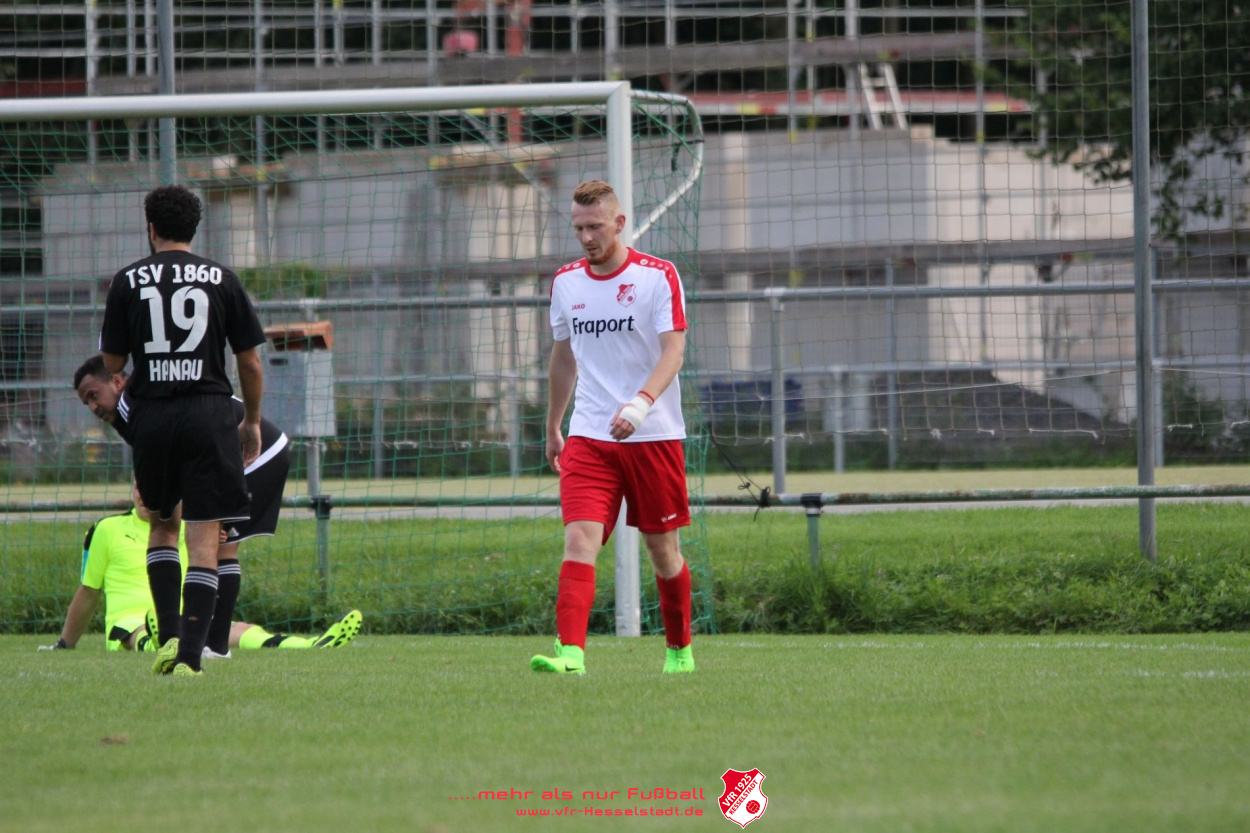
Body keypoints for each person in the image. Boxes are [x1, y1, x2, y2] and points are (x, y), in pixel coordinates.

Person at [99, 183, 267, 677]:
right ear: (195, 228)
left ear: (150, 228)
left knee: (162, 526)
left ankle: (168, 638)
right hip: (209, 414)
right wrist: (251, 420)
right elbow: (250, 362)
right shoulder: (221, 278)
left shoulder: (127, 281)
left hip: (153, 416)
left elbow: (112, 362)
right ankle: (191, 657)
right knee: (205, 535)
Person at [530, 180, 695, 676]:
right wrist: (554, 423)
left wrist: (641, 405)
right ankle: (571, 655)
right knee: (579, 541)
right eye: (578, 228)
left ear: (619, 223)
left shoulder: (657, 276)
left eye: (596, 227)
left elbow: (674, 351)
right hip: (589, 436)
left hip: (653, 435)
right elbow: (564, 356)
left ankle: (679, 651)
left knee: (662, 551)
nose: (586, 237)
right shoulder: (565, 283)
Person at [73, 354, 293, 659]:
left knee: (221, 544)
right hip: (232, 455)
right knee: (214, 542)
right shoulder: (135, 407)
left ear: (117, 381)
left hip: (260, 453)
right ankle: (202, 643)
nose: (93, 407)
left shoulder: (141, 401)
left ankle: (213, 646)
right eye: (86, 402)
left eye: (93, 395)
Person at [39, 487, 362, 654]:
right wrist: (66, 643)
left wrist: (216, 539)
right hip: (130, 622)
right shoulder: (105, 529)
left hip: (187, 617)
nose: (144, 494)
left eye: (150, 487)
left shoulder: (187, 525)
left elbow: (209, 563)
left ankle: (310, 645)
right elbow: (89, 591)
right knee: (135, 633)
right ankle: (156, 642)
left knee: (242, 629)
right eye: (140, 486)